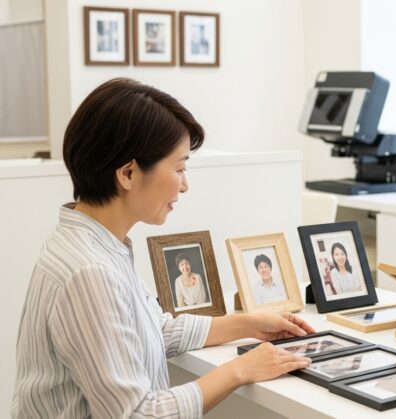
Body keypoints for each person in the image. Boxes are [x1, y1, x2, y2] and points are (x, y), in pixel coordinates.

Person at [12, 78, 315, 418]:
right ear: (128, 173)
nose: (184, 185)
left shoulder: (96, 243)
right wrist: (239, 369)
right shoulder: (90, 271)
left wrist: (246, 325)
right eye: (180, 168)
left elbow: (151, 330)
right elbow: (137, 414)